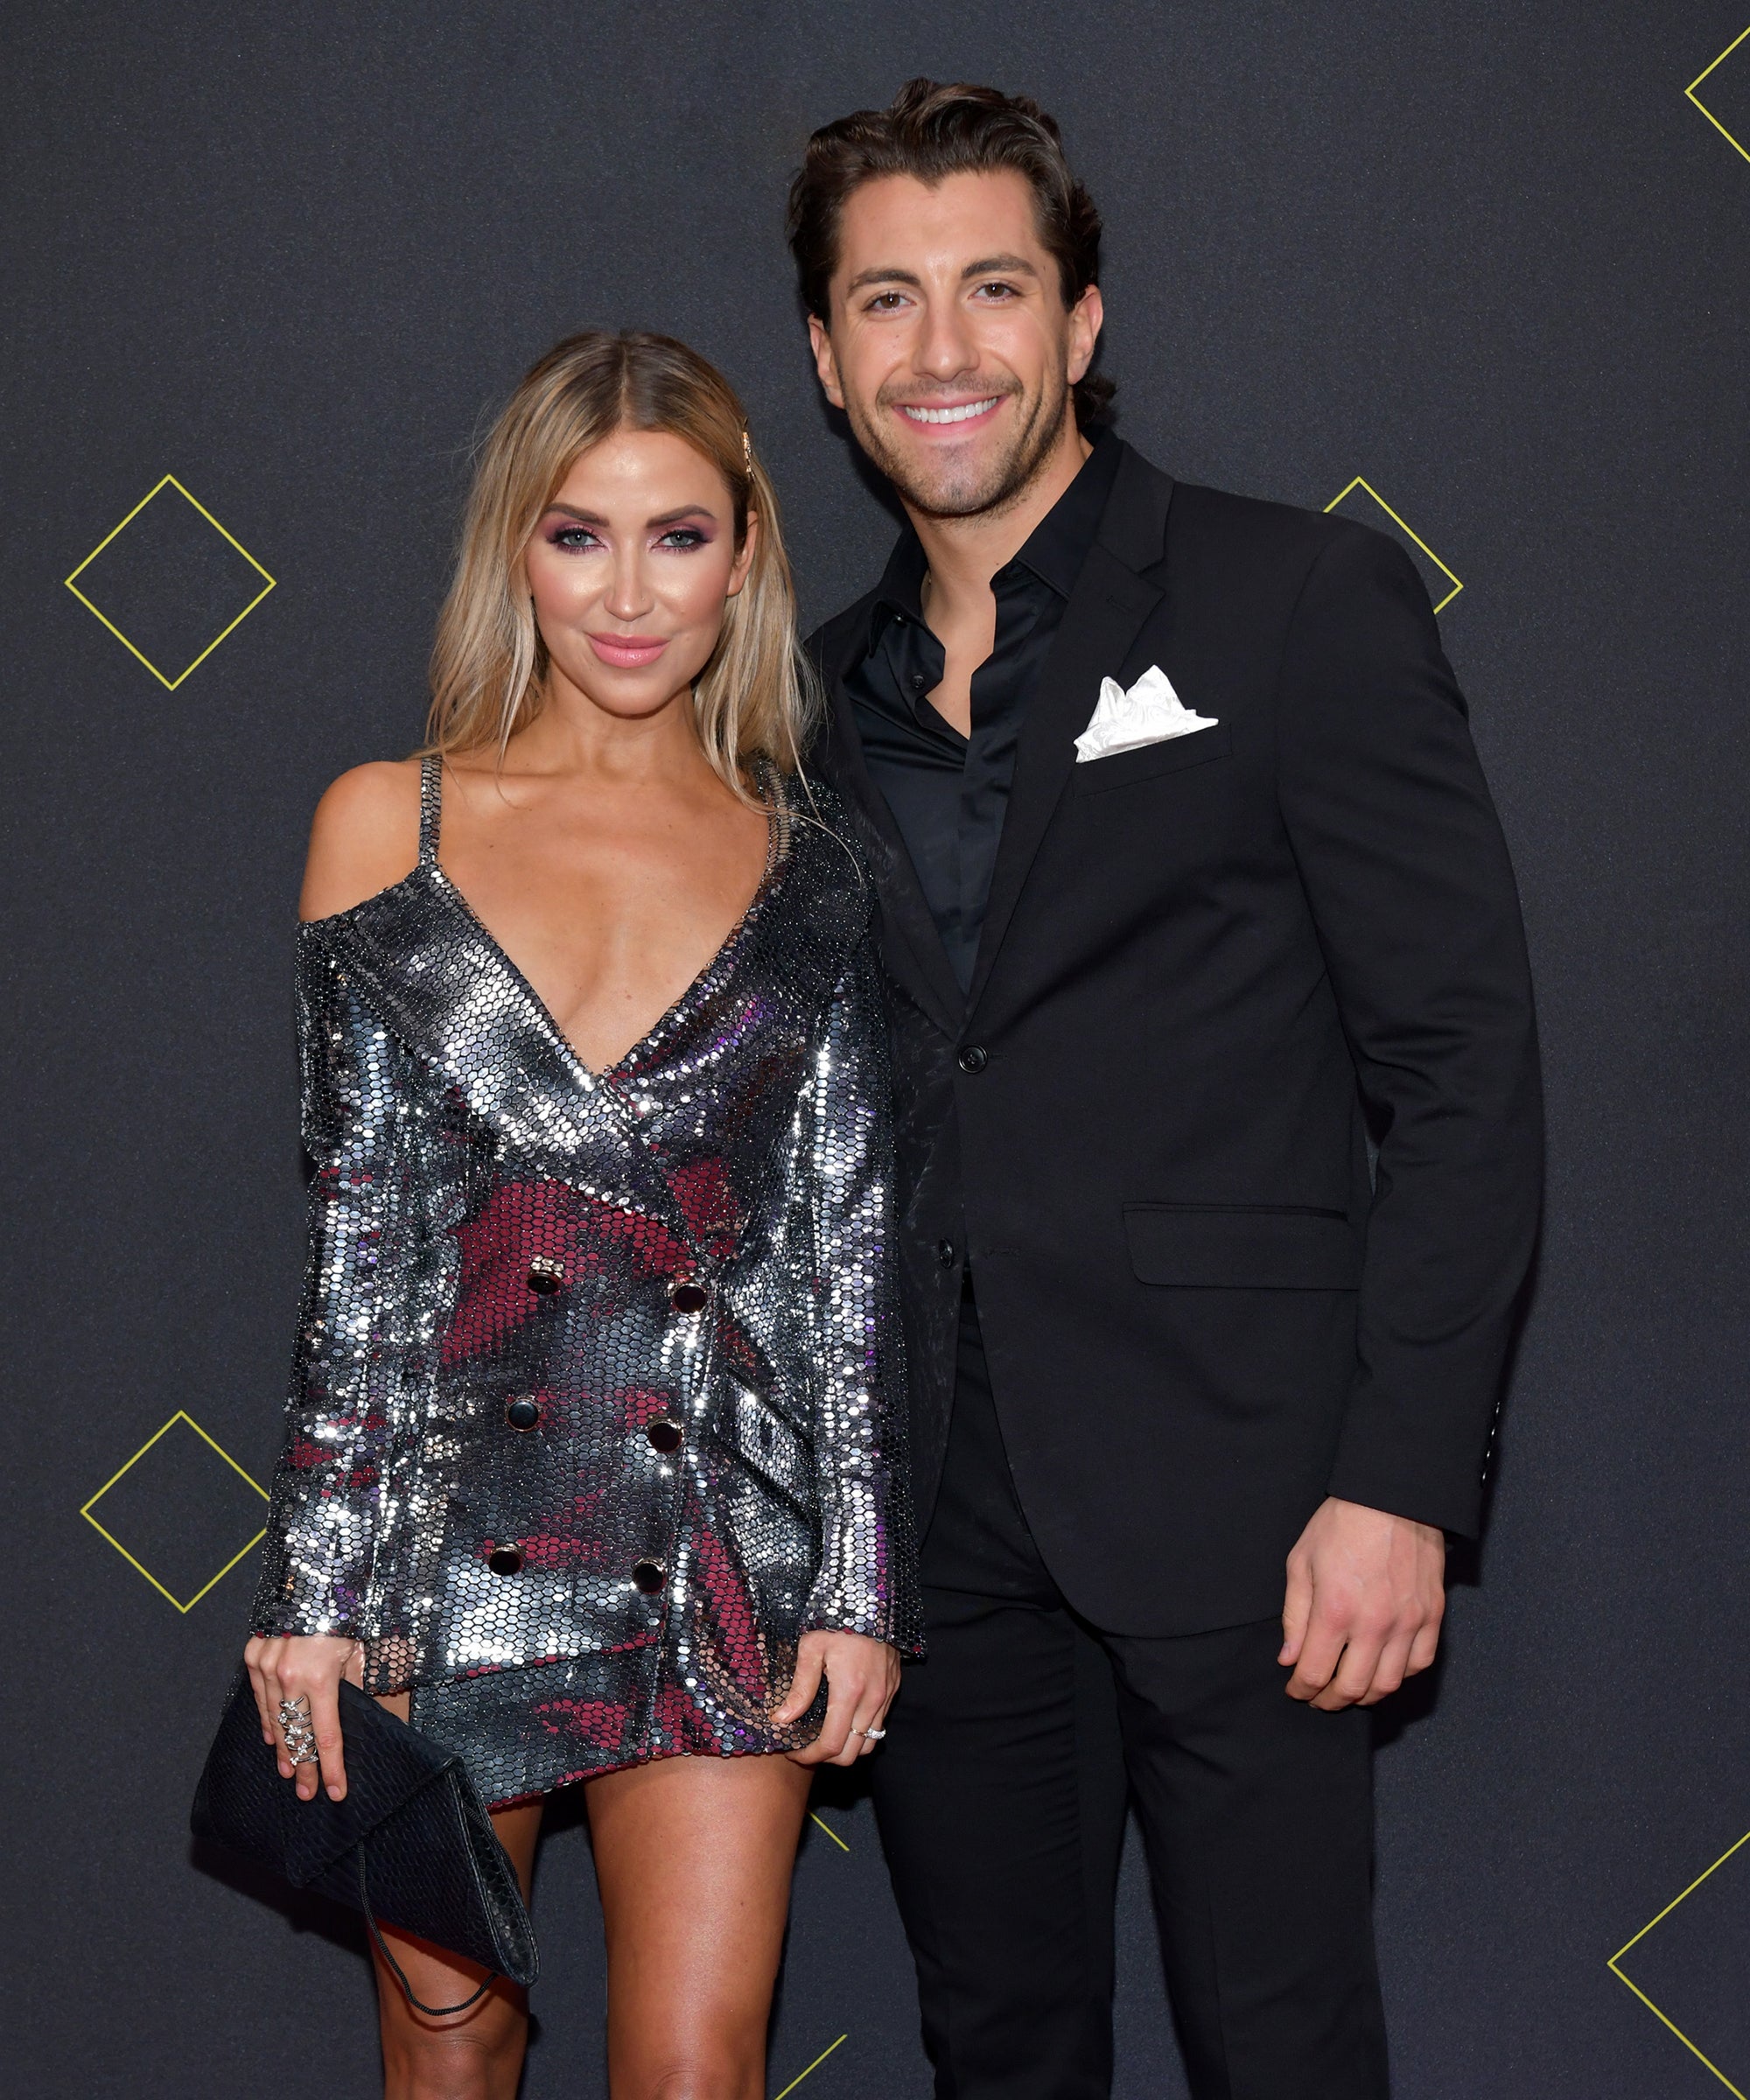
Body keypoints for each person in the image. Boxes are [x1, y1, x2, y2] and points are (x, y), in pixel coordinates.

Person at [789, 80, 1542, 2100]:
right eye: (885, 300)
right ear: (827, 358)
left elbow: (1461, 1066)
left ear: (1081, 319)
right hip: (941, 1519)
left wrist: (1400, 1481)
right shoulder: (801, 702)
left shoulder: (1294, 600)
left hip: (1256, 1495)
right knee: (998, 2050)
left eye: (992, 287)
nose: (941, 349)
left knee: (1282, 2051)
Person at [241, 329, 920, 2100]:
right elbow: (362, 1248)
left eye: (676, 537)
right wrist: (316, 1592)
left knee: (696, 2067)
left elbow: (840, 1257)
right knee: (450, 2049)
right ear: (515, 554)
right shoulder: (386, 826)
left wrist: (857, 1586)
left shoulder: (816, 869)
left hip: (718, 1540)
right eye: (578, 535)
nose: (628, 595)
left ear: (745, 555)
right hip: (438, 1548)